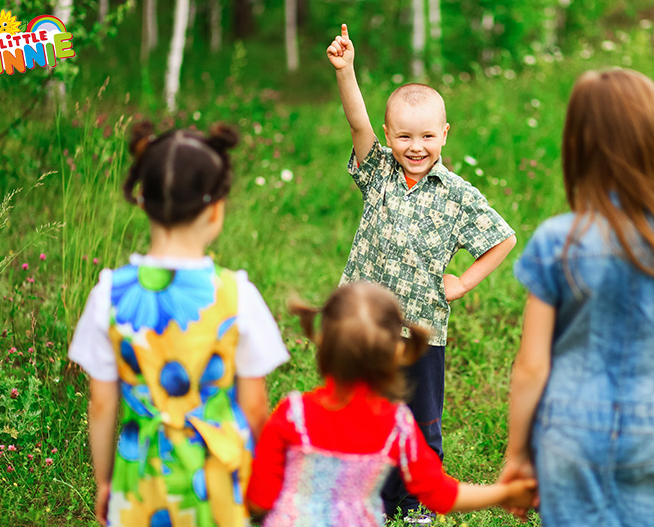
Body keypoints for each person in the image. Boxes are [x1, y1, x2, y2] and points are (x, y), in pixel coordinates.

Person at [501, 69, 654, 526]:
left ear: (575, 146)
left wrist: (517, 453)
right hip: (649, 426)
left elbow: (532, 366)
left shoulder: (556, 241)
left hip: (568, 429)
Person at [326, 24, 517, 521]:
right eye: (405, 136)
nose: (416, 146)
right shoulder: (379, 173)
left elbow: (503, 238)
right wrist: (346, 71)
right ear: (389, 136)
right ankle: (366, 492)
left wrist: (464, 281)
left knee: (419, 419)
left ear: (444, 134)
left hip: (422, 332)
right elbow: (356, 124)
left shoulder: (457, 194)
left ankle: (416, 499)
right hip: (365, 326)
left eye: (427, 136)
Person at [68, 121, 289, 527]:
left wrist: (104, 482)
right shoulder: (236, 294)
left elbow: (101, 404)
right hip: (218, 475)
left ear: (142, 201)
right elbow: (254, 403)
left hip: (141, 477)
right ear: (215, 208)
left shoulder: (108, 294)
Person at [246, 283, 536, 526]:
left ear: (323, 344)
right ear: (396, 353)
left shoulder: (293, 414)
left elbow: (259, 497)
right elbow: (441, 495)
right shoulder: (397, 426)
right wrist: (504, 493)